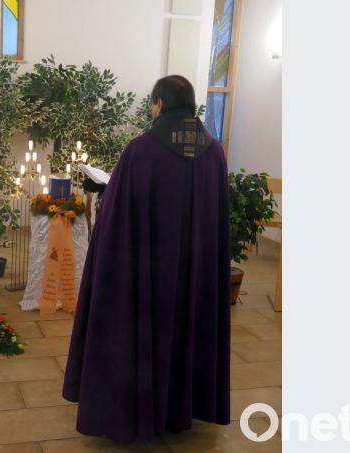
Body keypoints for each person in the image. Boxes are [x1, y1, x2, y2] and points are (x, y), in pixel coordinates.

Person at [62, 75, 231, 443]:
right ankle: (179, 407)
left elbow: (119, 217)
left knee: (146, 332)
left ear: (158, 105)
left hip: (149, 273)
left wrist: (104, 193)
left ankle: (138, 410)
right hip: (194, 272)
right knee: (186, 326)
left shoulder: (142, 149)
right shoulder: (215, 151)